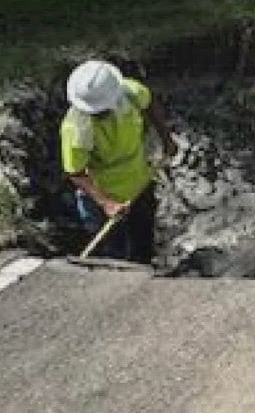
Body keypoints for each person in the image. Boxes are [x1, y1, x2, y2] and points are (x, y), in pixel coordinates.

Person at [60, 59, 175, 265]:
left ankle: (146, 277)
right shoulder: (77, 128)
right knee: (113, 256)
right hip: (103, 196)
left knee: (143, 243)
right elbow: (76, 172)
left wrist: (166, 139)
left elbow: (150, 105)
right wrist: (107, 202)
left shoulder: (130, 93)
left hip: (139, 182)